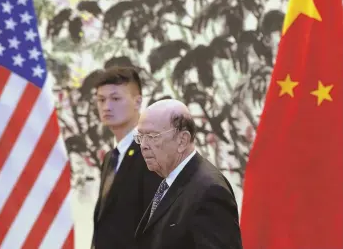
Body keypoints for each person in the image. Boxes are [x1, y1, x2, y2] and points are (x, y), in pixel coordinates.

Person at [133, 99, 243, 249]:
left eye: (152, 136)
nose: (144, 146)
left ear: (182, 140)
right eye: (140, 137)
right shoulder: (171, 180)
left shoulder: (210, 191)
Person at [92, 66, 162, 249]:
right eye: (101, 99)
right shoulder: (110, 158)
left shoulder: (152, 152)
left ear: (137, 102)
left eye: (115, 98)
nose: (106, 106)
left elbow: (158, 226)